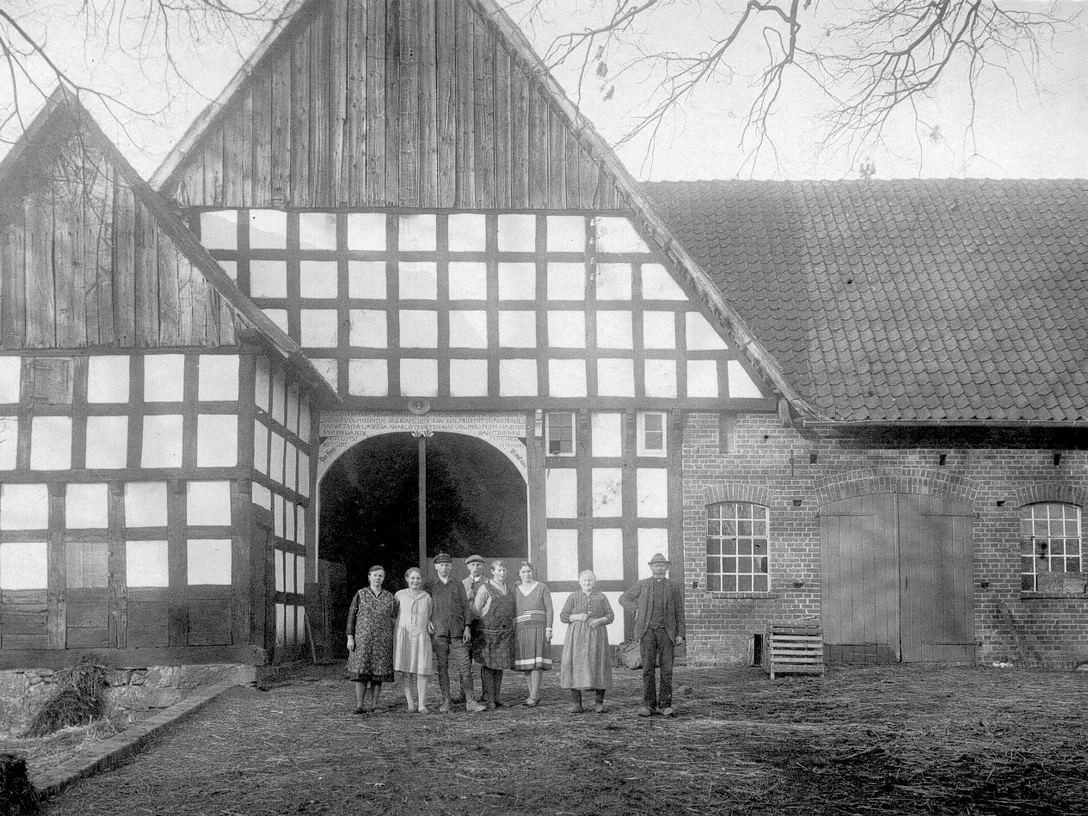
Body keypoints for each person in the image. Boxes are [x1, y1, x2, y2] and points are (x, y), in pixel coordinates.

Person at [619, 553, 686, 718]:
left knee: (667, 670)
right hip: (647, 632)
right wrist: (636, 610)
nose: (659, 567)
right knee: (647, 668)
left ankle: (665, 705)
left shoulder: (673, 587)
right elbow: (624, 598)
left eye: (662, 565)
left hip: (667, 633)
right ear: (651, 567)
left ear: (666, 567)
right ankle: (648, 705)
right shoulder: (643, 585)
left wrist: (680, 634)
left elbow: (679, 612)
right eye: (656, 565)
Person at [426, 553, 486, 713]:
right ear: (436, 567)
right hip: (440, 631)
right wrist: (427, 620)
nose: (444, 568)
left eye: (447, 565)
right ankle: (446, 701)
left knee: (465, 667)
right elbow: (424, 604)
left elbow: (466, 606)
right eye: (441, 565)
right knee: (442, 666)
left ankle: (470, 701)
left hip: (459, 631)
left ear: (451, 567)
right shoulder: (431, 585)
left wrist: (467, 626)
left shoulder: (457, 584)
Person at [560, 570, 614, 714]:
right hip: (577, 637)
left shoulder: (601, 597)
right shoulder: (573, 597)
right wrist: (577, 616)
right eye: (584, 580)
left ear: (594, 582)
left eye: (590, 580)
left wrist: (600, 620)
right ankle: (577, 703)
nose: (587, 583)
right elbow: (564, 616)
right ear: (579, 582)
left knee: (599, 664)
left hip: (597, 635)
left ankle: (599, 703)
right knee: (576, 665)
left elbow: (611, 615)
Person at [346, 565, 397, 714]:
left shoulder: (389, 597)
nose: (378, 578)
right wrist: (350, 637)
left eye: (380, 576)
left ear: (384, 578)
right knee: (361, 673)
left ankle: (375, 705)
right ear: (369, 577)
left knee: (378, 674)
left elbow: (395, 617)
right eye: (375, 575)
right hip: (363, 640)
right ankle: (359, 705)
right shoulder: (361, 594)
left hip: (382, 641)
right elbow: (351, 617)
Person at [472, 559, 516, 709]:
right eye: (499, 570)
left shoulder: (509, 589)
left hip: (505, 633)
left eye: (504, 570)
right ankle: (489, 698)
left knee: (500, 667)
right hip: (488, 634)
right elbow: (476, 611)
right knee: (489, 666)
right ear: (492, 571)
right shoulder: (485, 588)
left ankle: (497, 697)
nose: (502, 573)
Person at [393, 567, 436, 713]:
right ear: (407, 579)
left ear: (421, 580)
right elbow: (393, 615)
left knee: (422, 671)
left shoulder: (426, 597)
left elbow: (429, 615)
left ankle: (422, 704)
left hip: (421, 635)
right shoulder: (399, 595)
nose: (415, 581)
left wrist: (429, 622)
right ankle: (410, 704)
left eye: (418, 578)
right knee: (407, 671)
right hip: (404, 635)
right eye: (412, 578)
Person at [513, 562, 553, 706]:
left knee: (537, 663)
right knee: (527, 663)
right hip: (521, 629)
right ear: (519, 573)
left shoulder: (542, 587)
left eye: (529, 571)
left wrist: (549, 628)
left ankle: (534, 695)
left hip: (539, 628)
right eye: (523, 572)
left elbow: (549, 609)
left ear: (533, 572)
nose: (526, 574)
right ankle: (532, 695)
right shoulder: (516, 589)